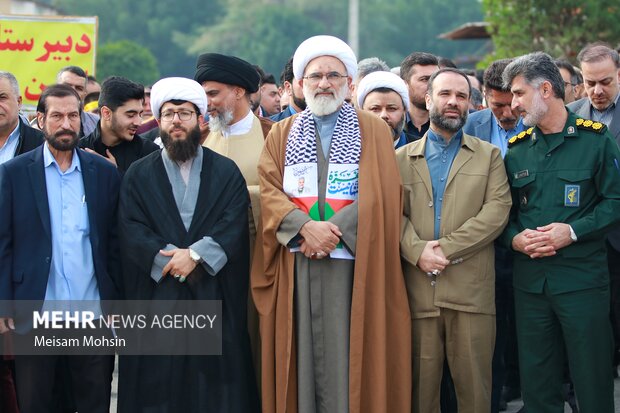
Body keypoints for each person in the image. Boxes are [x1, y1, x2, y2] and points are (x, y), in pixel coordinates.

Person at [253, 35, 411, 413]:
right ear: (301, 84)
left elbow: (382, 193)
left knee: (350, 348)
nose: (324, 83)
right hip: (299, 260)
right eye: (315, 76)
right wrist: (304, 228)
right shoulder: (283, 132)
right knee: (302, 350)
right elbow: (269, 190)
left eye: (333, 75)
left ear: (349, 83)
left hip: (354, 265)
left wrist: (331, 230)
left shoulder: (372, 129)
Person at [117, 77, 259, 413]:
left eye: (184, 113)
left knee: (212, 389)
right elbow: (130, 227)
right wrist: (168, 260)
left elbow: (234, 222)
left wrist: (196, 255)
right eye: (169, 114)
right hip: (158, 295)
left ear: (200, 119)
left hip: (211, 290)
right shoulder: (138, 174)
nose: (176, 121)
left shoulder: (225, 171)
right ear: (159, 121)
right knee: (158, 386)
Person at [501, 51, 620, 413]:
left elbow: (615, 200)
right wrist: (514, 239)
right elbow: (502, 215)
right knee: (537, 382)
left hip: (582, 282)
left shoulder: (596, 141)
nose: (513, 103)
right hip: (531, 286)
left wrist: (573, 231)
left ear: (546, 89)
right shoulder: (517, 152)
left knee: (593, 378)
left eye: (520, 93)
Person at [0, 84, 121, 413]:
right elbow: (4, 243)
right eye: (57, 116)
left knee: (93, 403)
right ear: (40, 120)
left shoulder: (104, 173)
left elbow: (113, 243)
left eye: (73, 116)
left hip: (92, 315)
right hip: (37, 314)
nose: (66, 124)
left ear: (82, 120)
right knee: (37, 403)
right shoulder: (13, 173)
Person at [396, 68, 511, 413]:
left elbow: (497, 212)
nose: (453, 103)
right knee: (419, 393)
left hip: (471, 293)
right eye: (445, 94)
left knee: (475, 393)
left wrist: (442, 250)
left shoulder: (489, 155)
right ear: (428, 99)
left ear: (470, 105)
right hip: (417, 292)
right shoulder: (399, 159)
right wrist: (417, 251)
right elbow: (389, 216)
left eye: (461, 97)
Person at [464, 57, 527, 413]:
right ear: (485, 97)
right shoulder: (471, 126)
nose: (506, 112)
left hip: (526, 240)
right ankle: (496, 393)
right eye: (496, 104)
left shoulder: (537, 124)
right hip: (484, 245)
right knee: (492, 326)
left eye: (511, 104)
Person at [79, 76, 159, 174]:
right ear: (106, 113)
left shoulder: (150, 153)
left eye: (139, 114)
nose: (138, 122)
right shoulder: (79, 151)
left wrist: (114, 171)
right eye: (130, 115)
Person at [356, 70, 410, 148]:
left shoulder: (423, 151)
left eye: (391, 108)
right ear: (362, 112)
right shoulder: (347, 152)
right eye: (375, 109)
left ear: (404, 111)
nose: (384, 115)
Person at [400, 52, 439, 142]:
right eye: (424, 79)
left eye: (436, 79)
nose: (432, 85)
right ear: (405, 84)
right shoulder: (393, 122)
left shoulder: (451, 124)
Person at [270, 56, 307, 122]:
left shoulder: (330, 126)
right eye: (304, 80)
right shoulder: (268, 127)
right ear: (288, 87)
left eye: (316, 77)